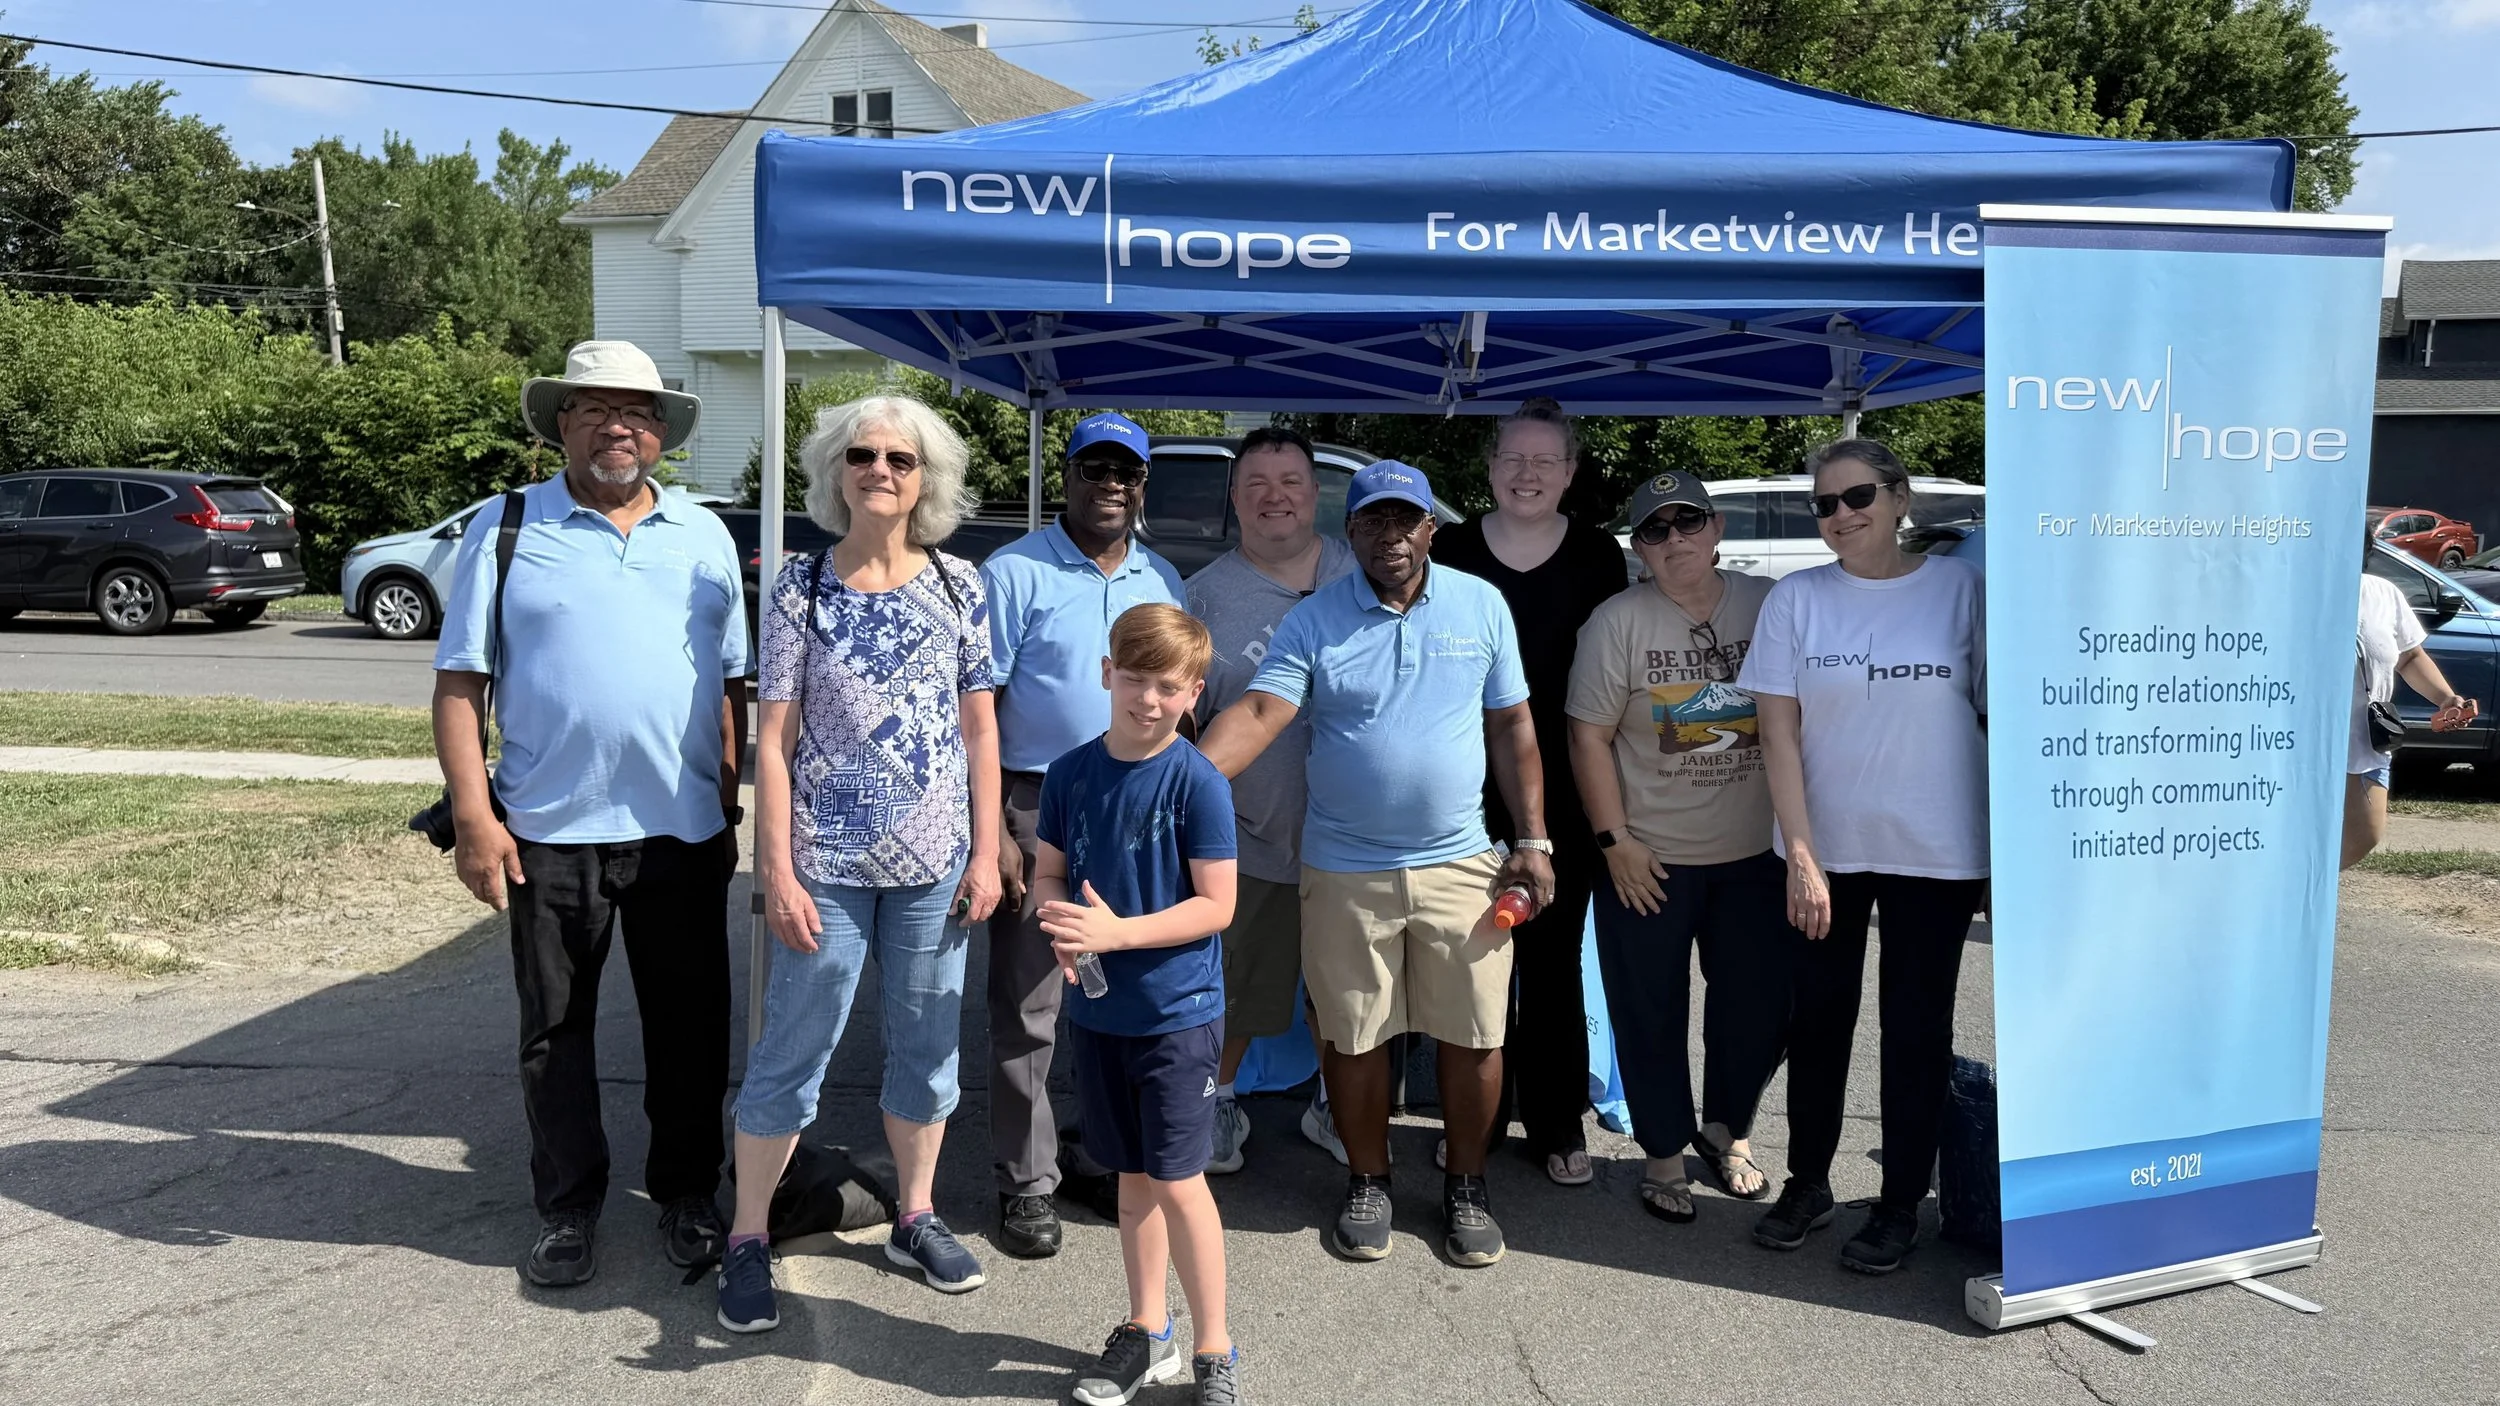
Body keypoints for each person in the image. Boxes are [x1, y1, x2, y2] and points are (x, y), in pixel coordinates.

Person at [430, 339, 747, 1287]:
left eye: (640, 412)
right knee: (555, 1035)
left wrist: (728, 805)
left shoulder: (703, 534)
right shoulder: (507, 526)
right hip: (548, 832)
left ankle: (687, 1195)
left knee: (690, 1030)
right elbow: (459, 685)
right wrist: (475, 817)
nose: (621, 425)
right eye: (597, 408)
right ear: (561, 423)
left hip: (681, 833)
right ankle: (567, 1208)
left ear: (662, 435)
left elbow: (732, 682)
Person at [1201, 461, 1551, 1270]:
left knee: (1475, 1037)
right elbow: (1259, 712)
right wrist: (1168, 779)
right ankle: (1368, 1180)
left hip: (1463, 862)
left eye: (1406, 521)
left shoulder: (1481, 604)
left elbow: (1513, 729)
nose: (1390, 537)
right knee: (1354, 1040)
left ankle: (1466, 1184)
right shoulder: (1316, 619)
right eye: (1372, 523)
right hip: (1343, 867)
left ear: (1431, 527)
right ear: (1349, 532)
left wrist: (1533, 839)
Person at [714, 394, 1003, 1333]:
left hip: (934, 867)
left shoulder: (962, 584)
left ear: (928, 481)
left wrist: (989, 848)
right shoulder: (800, 586)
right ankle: (749, 1235)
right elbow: (773, 740)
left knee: (927, 1051)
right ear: (837, 473)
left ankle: (913, 1216)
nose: (882, 470)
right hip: (825, 866)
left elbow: (979, 727)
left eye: (902, 460)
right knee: (793, 1048)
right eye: (864, 456)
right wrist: (778, 870)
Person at [1736, 438, 1986, 1275]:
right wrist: (1801, 855)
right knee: (1818, 1026)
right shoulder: (1797, 600)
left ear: (1900, 496)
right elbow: (1777, 733)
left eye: (1857, 497)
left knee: (1916, 1033)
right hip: (1826, 852)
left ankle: (1897, 1203)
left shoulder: (1963, 590)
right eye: (1825, 504)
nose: (1840, 516)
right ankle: (1807, 1183)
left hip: (1939, 852)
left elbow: (2006, 715)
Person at [981, 411, 1188, 1258]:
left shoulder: (1162, 576)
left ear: (1143, 484)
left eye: (1126, 472)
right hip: (1037, 801)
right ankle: (1026, 1181)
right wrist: (990, 823)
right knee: (1031, 1002)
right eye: (1095, 468)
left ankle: (1102, 1154)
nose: (1112, 484)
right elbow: (977, 712)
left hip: (1133, 805)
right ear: (1065, 476)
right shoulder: (1014, 572)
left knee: (1114, 995)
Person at [1566, 471, 1797, 1223]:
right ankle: (1663, 1154)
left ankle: (1728, 1133)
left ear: (1717, 527)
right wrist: (1616, 842)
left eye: (1688, 522)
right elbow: (1588, 737)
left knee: (1755, 1008)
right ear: (1639, 548)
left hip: (1756, 859)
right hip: (1652, 861)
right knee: (1649, 1009)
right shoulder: (1616, 622)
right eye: (1656, 531)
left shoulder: (1769, 606)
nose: (1676, 541)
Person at [1037, 605, 1245, 1406]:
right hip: (1098, 1016)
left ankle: (1215, 1346)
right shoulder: (1068, 774)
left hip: (1178, 1017)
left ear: (1193, 694)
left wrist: (1119, 935)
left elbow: (1217, 905)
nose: (1148, 699)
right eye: (1134, 679)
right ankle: (1147, 1328)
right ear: (1105, 674)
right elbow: (1052, 874)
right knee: (1130, 1178)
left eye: (1167, 686)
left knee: (1181, 1179)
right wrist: (1062, 925)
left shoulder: (1199, 781)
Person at [1429, 397, 1631, 1186]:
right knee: (1472, 957)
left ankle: (1555, 1121)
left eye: (1545, 460)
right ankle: (1472, 1118)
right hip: (1461, 783)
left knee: (1550, 960)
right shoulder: (1448, 548)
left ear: (1571, 472)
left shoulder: (1596, 555)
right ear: (1489, 467)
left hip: (1569, 790)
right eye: (1513, 457)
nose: (1527, 473)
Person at [1184, 427, 1357, 1174]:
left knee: (1347, 998)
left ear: (1314, 491)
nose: (1274, 495)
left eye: (1289, 479)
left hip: (1355, 842)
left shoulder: (1366, 573)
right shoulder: (1202, 597)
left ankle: (1336, 1107)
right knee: (1234, 994)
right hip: (1251, 836)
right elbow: (1186, 720)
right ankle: (1216, 1104)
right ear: (1234, 497)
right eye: (1255, 482)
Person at [2347, 533, 2478, 868]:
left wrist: (2446, 698)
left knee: (2365, 835)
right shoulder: (2295, 593)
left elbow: (2409, 657)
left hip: (2365, 741)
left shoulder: (2382, 593)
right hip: (2298, 746)